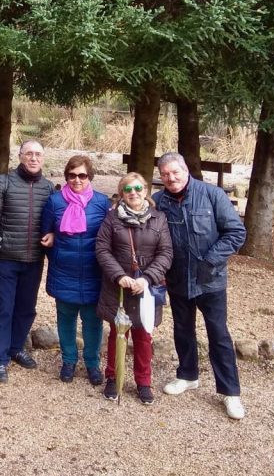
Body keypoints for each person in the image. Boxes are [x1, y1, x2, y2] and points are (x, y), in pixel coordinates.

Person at [154, 152, 247, 420]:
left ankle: (230, 392)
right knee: (182, 329)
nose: (171, 178)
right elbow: (152, 238)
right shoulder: (159, 202)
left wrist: (210, 261)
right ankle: (187, 374)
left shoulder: (212, 195)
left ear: (185, 170)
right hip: (177, 279)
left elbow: (235, 233)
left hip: (210, 280)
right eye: (165, 174)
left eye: (175, 172)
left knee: (218, 334)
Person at [95, 172, 172, 404]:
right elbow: (102, 249)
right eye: (128, 190)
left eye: (138, 188)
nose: (134, 193)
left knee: (144, 335)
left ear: (146, 191)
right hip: (118, 287)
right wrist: (118, 275)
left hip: (146, 288)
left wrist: (147, 278)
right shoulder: (112, 219)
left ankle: (144, 382)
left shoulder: (159, 218)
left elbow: (166, 253)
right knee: (117, 335)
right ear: (121, 194)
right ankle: (113, 376)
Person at [0, 140, 54, 384]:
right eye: (29, 154)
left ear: (43, 158)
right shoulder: (3, 182)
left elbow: (52, 222)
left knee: (26, 309)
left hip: (34, 259)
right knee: (5, 308)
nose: (34, 158)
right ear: (20, 156)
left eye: (38, 154)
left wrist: (52, 234)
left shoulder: (48, 188)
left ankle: (15, 347)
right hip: (7, 259)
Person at [40, 154, 111, 385]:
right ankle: (69, 360)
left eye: (82, 175)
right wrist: (57, 252)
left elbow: (110, 236)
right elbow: (46, 233)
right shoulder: (55, 201)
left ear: (89, 176)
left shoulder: (101, 202)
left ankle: (92, 363)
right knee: (66, 318)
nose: (77, 180)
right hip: (65, 270)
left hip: (93, 271)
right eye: (72, 175)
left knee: (92, 320)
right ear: (66, 176)